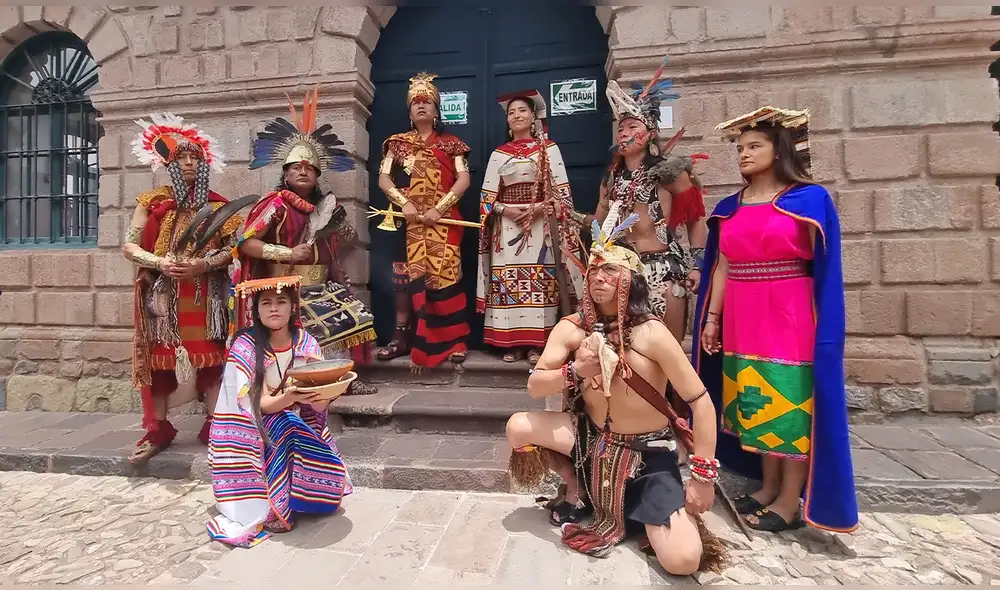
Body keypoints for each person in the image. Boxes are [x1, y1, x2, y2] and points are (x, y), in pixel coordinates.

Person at [504, 215, 726, 575]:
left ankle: (642, 509)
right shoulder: (571, 328)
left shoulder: (651, 333)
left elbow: (701, 402)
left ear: (630, 281)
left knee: (683, 560)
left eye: (610, 272)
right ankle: (576, 489)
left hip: (646, 455)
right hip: (594, 443)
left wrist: (702, 478)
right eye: (594, 272)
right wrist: (576, 371)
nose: (599, 280)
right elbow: (534, 386)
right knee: (519, 427)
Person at [692, 106, 858, 533]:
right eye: (740, 148)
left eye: (754, 146)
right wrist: (712, 319)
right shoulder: (730, 206)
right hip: (742, 315)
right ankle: (767, 486)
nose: (743, 154)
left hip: (788, 312)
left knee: (789, 403)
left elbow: (823, 267)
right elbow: (724, 265)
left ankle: (789, 501)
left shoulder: (809, 199)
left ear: (778, 148)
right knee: (755, 400)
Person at [236, 86, 377, 395]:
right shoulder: (273, 205)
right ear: (286, 174)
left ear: (317, 175)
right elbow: (246, 243)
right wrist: (286, 252)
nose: (303, 171)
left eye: (309, 168)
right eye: (296, 167)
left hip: (324, 284)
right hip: (283, 285)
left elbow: (348, 242)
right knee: (308, 321)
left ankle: (342, 378)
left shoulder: (327, 207)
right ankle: (296, 380)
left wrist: (339, 225)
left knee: (354, 315)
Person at [123, 113, 242, 464]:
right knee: (160, 362)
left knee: (212, 359)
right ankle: (158, 428)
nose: (189, 163)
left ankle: (215, 425)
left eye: (195, 158)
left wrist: (202, 264)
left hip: (206, 294)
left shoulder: (220, 206)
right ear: (168, 162)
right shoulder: (151, 201)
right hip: (163, 294)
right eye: (181, 158)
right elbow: (129, 246)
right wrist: (160, 262)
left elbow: (233, 247)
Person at [207, 275, 352, 547]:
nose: (274, 308)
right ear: (256, 311)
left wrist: (328, 392)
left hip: (293, 417)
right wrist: (291, 396)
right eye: (267, 303)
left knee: (292, 424)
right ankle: (277, 506)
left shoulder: (306, 344)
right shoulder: (245, 346)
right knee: (283, 424)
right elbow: (257, 405)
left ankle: (304, 491)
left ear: (292, 308)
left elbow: (318, 406)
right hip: (250, 424)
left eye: (281, 302)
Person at [477, 90, 587, 365]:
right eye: (511, 112)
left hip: (542, 228)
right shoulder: (499, 154)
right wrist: (506, 210)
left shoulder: (549, 150)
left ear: (533, 116)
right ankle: (511, 343)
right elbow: (487, 197)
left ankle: (539, 343)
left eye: (522, 111)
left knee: (541, 281)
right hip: (508, 227)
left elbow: (562, 193)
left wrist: (538, 209)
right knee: (508, 283)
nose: (516, 116)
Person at [375, 72, 473, 369]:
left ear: (436, 109)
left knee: (446, 279)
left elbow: (463, 179)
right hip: (409, 223)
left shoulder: (452, 144)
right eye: (415, 102)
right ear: (408, 110)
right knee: (405, 281)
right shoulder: (396, 143)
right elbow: (383, 179)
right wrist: (404, 203)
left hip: (443, 224)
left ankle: (454, 340)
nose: (421, 106)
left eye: (427, 101)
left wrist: (440, 209)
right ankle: (403, 336)